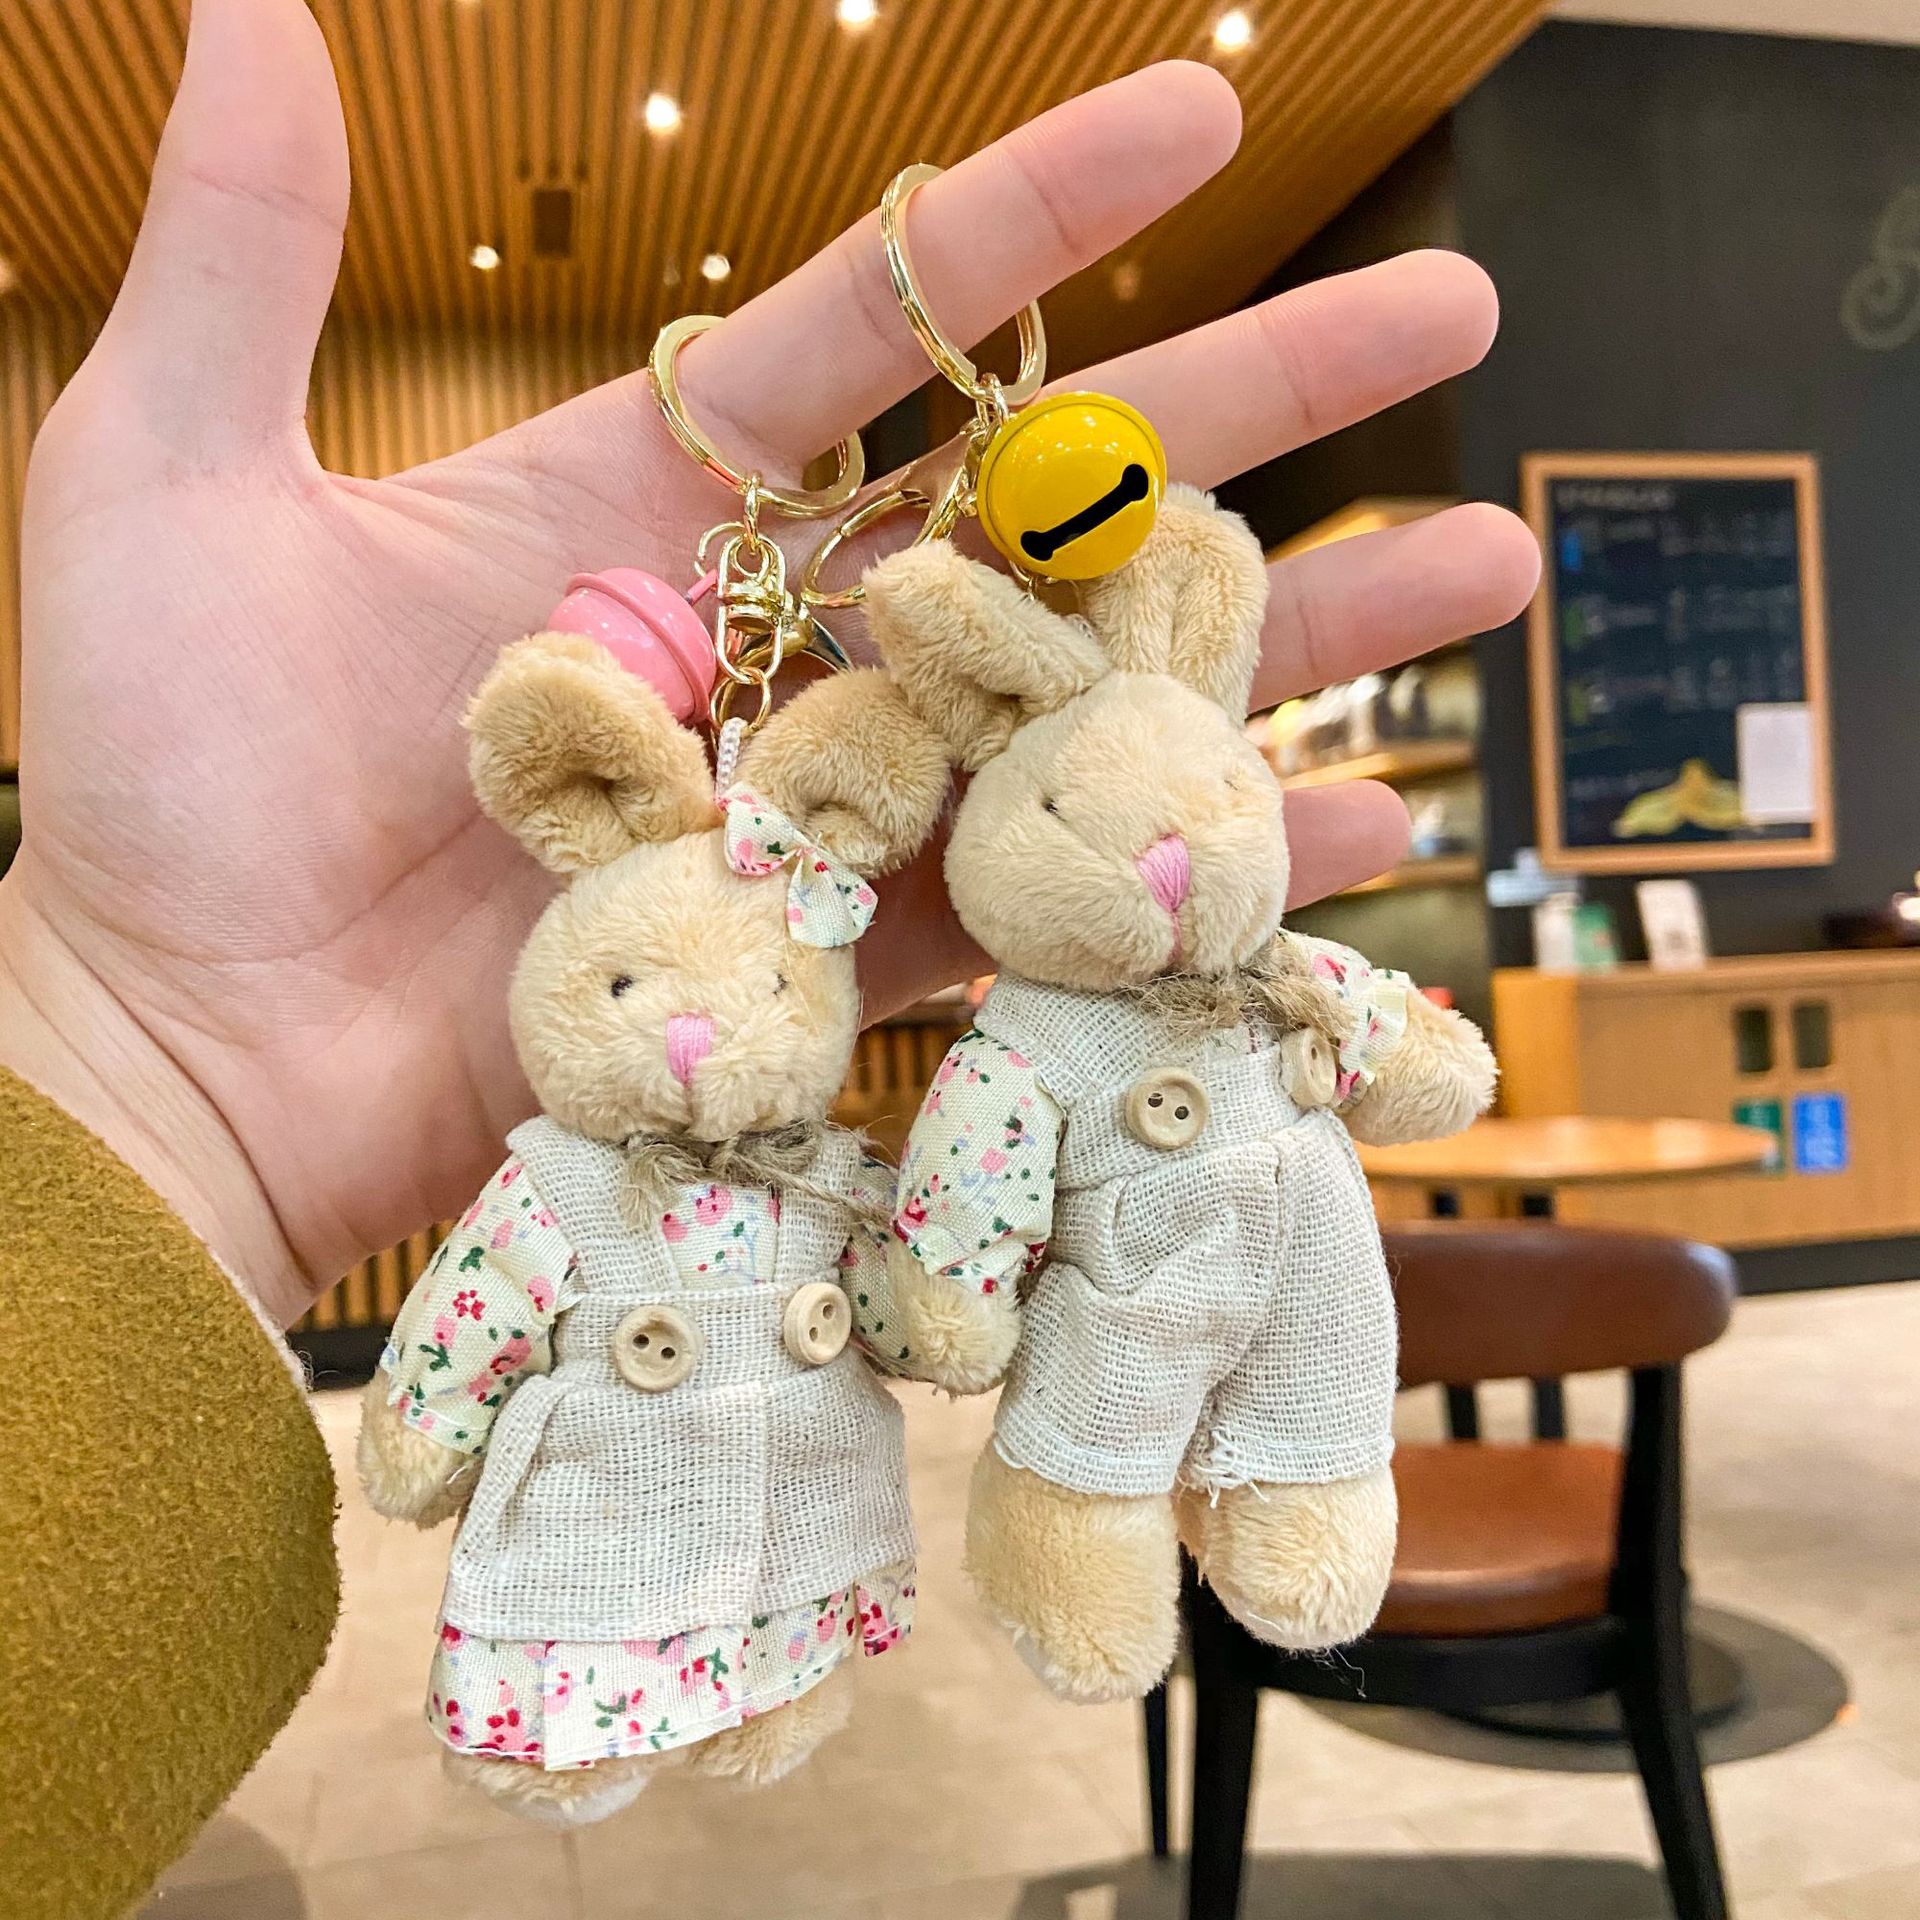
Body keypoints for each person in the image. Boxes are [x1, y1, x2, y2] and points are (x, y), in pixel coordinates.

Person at [0, 2, 1540, 1913]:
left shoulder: (1178, 1005)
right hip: (773, 1412)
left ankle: (1259, 1497)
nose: (699, 1034)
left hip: (1270, 1294)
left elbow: (994, 1216)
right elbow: (929, 1213)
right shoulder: (981, 1056)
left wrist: (945, 1288)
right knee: (1062, 1445)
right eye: (634, 991)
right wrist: (159, 1093)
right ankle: (1015, 1543)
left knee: (1307, 1390)